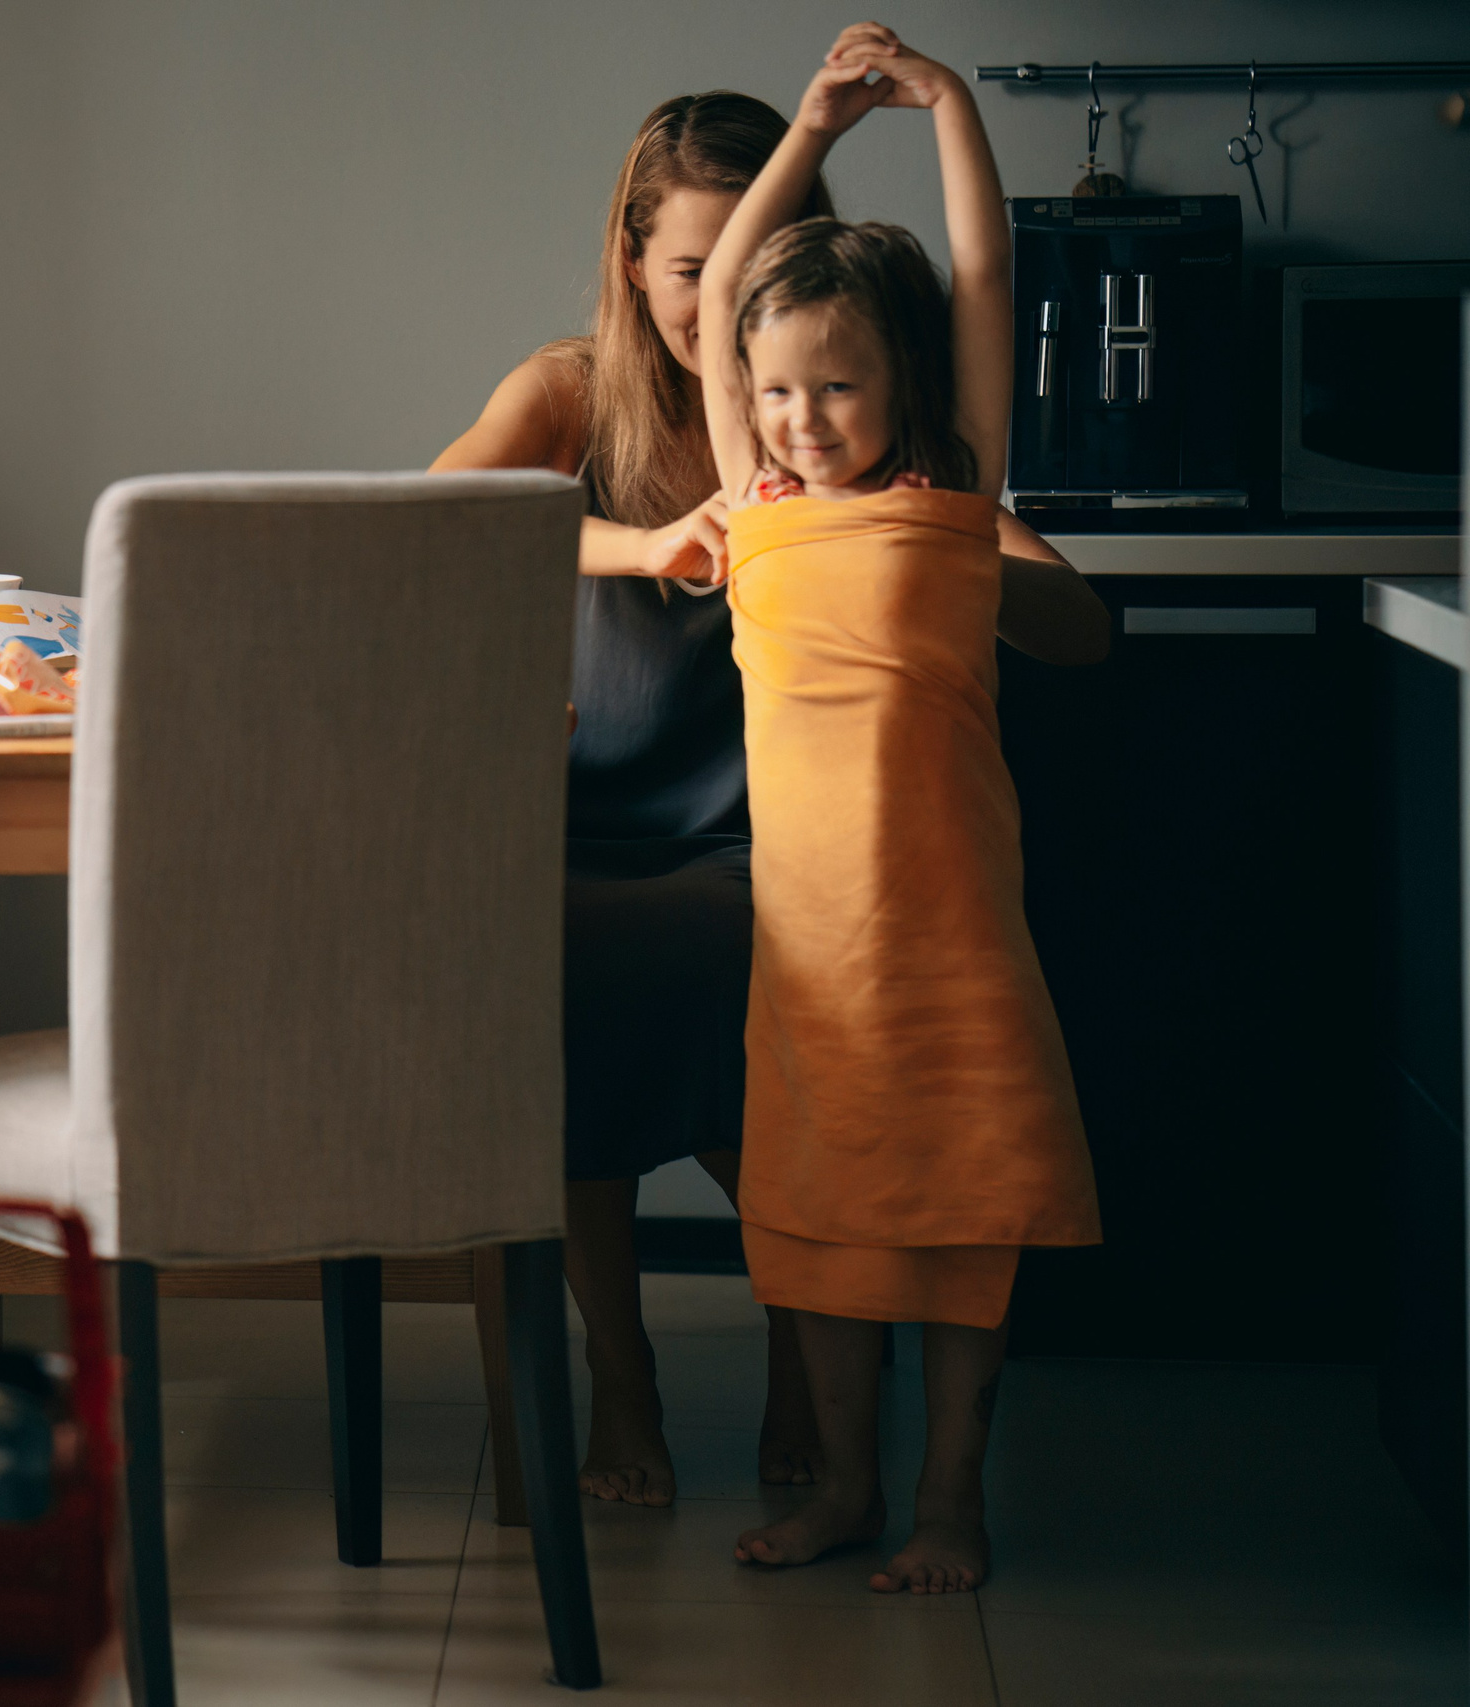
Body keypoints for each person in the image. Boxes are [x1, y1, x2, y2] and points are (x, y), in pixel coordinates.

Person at [430, 92, 1106, 1507]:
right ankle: (627, 1383)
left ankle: (821, 1378)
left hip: (764, 843)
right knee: (553, 986)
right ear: (632, 264)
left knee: (775, 987)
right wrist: (653, 542)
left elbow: (1048, 594)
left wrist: (963, 577)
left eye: (768, 247)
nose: (726, 297)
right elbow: (439, 513)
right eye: (697, 268)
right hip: (594, 817)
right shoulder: (596, 397)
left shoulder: (863, 444)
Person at [700, 23, 1103, 1593]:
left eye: (839, 387)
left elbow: (989, 280)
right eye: (778, 392)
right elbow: (742, 269)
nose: (801, 420)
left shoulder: (957, 502)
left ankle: (952, 1503)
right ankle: (851, 1489)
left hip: (951, 944)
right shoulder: (756, 513)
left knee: (960, 1236)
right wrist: (807, 128)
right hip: (810, 957)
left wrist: (946, 109)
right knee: (827, 1242)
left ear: (904, 386)